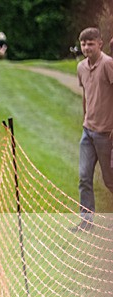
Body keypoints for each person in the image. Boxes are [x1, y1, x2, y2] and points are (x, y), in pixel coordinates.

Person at [73, 27, 113, 232]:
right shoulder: (81, 67)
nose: (86, 47)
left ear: (100, 44)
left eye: (90, 43)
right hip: (87, 132)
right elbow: (86, 96)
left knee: (109, 180)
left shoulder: (108, 64)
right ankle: (86, 222)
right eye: (83, 44)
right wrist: (85, 118)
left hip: (106, 134)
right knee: (84, 178)